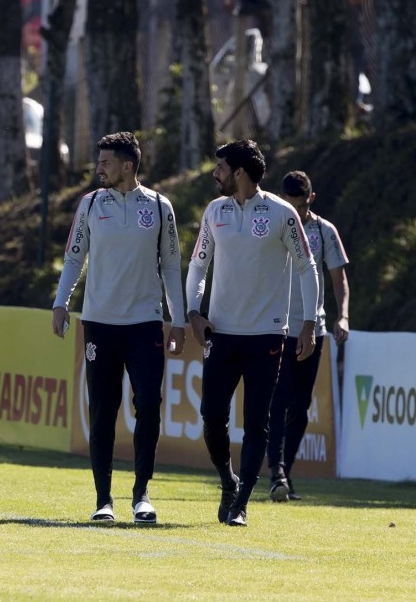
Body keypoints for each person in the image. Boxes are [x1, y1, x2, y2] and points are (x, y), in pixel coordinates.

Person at [52, 132, 186, 525]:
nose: (99, 168)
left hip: (144, 324)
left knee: (148, 406)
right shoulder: (90, 204)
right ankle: (103, 499)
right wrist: (62, 303)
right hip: (99, 324)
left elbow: (172, 266)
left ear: (128, 166)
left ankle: (141, 494)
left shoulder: (160, 207)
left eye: (106, 162)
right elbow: (74, 258)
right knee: (102, 411)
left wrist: (177, 319)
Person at [187, 140, 319, 527]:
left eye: (222, 168)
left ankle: (240, 503)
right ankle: (228, 480)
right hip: (221, 333)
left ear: (240, 173)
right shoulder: (215, 211)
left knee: (256, 421)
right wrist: (195, 311)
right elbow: (198, 267)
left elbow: (306, 268)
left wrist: (308, 323)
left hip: (267, 335)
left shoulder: (281, 213)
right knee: (212, 417)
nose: (216, 174)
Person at [267, 171, 349, 502]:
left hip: (311, 329)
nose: (294, 212)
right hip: (277, 327)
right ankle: (276, 473)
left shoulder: (324, 231)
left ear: (310, 200)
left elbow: (339, 280)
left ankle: (285, 469)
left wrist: (343, 315)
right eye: (289, 204)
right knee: (279, 399)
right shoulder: (271, 224)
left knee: (300, 407)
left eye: (299, 206)